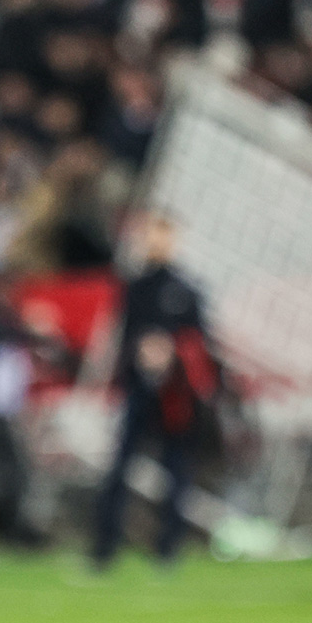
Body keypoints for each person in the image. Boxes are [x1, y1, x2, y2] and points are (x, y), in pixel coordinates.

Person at [90, 212, 219, 568]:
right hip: (138, 389)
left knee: (176, 471)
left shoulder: (186, 290)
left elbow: (200, 343)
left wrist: (172, 352)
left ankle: (168, 549)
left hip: (175, 396)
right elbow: (122, 336)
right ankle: (104, 548)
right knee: (120, 467)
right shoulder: (134, 286)